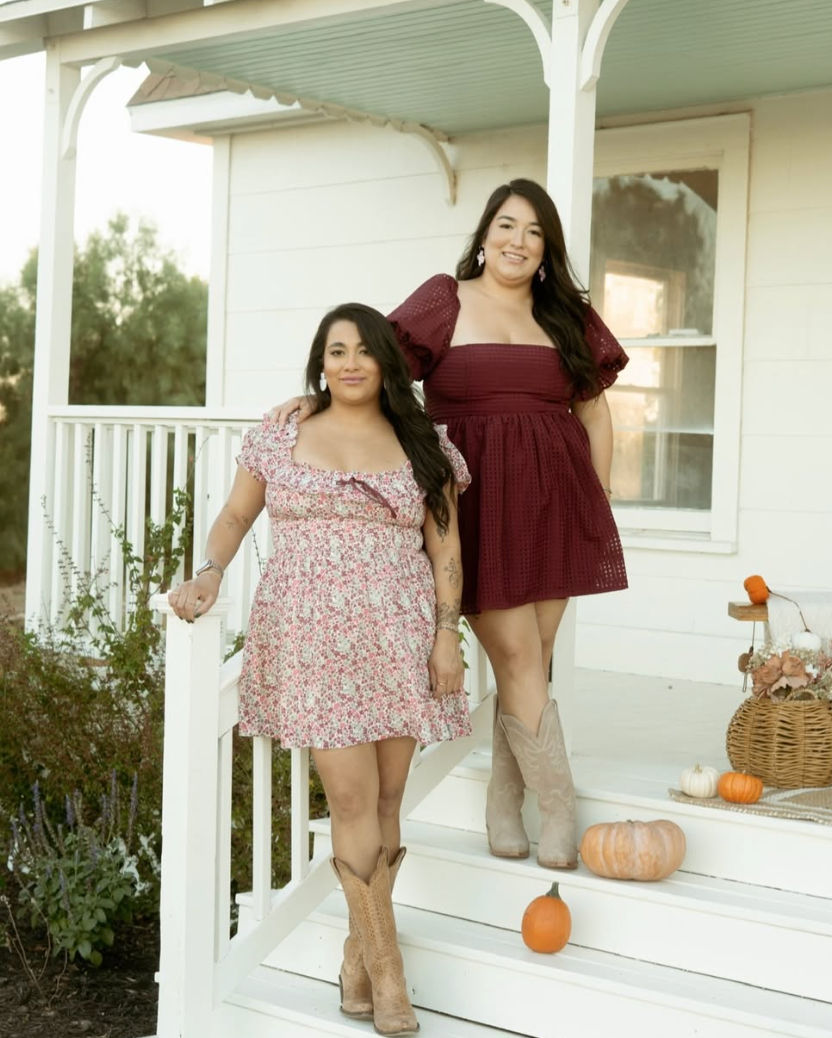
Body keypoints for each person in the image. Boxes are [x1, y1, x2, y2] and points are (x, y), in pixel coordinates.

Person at [271, 179, 628, 871]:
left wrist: (600, 496)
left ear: (547, 249)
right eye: (506, 225)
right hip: (472, 502)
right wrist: (318, 398)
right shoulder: (446, 299)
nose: (517, 241)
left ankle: (504, 798)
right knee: (521, 659)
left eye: (532, 232)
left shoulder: (566, 317)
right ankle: (559, 808)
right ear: (485, 235)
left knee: (532, 661)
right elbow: (375, 370)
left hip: (555, 499)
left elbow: (595, 412)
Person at [169, 302, 472, 1037]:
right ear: (320, 362)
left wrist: (444, 636)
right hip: (312, 643)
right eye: (336, 350)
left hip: (398, 638)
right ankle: (389, 971)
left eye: (365, 350)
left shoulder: (423, 444)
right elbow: (237, 516)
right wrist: (210, 571)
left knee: (391, 797)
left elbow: (446, 553)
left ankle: (357, 958)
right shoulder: (283, 433)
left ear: (386, 365)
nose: (350, 362)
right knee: (351, 802)